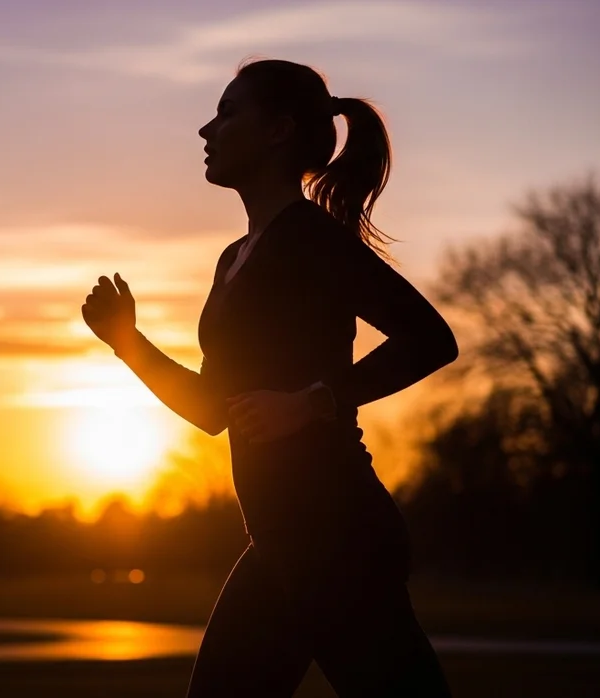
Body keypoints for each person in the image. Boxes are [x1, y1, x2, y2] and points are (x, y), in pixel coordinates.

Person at [80, 58, 458, 697]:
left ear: (279, 131)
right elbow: (211, 409)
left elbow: (431, 339)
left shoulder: (313, 240)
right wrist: (128, 344)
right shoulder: (234, 259)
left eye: (227, 113)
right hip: (285, 539)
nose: (207, 129)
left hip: (338, 534)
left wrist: (314, 402)